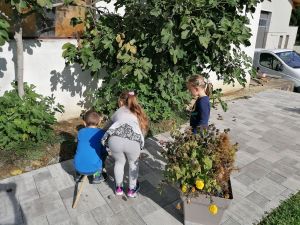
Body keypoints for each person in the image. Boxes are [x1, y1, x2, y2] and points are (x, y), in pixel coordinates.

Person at [101, 91, 149, 198]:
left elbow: (106, 127)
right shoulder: (139, 112)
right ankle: (132, 190)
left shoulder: (118, 111)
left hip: (115, 139)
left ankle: (118, 188)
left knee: (119, 162)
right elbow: (143, 131)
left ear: (121, 102)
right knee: (133, 164)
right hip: (133, 140)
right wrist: (139, 145)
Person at [74, 110, 107, 184]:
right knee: (103, 154)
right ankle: (97, 176)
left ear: (84, 123)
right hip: (94, 168)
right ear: (99, 123)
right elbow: (103, 149)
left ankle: (78, 176)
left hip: (78, 166)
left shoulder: (80, 132)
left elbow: (78, 144)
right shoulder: (101, 133)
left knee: (80, 153)